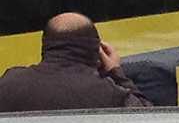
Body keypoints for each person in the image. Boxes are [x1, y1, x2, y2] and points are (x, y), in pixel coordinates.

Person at [0, 12, 152, 112]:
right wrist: (116, 72)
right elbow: (146, 119)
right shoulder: (108, 93)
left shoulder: (9, 82)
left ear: (46, 46)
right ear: (97, 51)